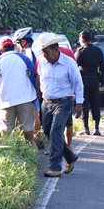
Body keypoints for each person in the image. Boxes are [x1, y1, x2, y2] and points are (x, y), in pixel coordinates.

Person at [35, 34, 84, 177]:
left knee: (56, 132)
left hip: (63, 102)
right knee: (50, 133)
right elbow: (40, 81)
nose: (45, 55)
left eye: (47, 52)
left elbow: (77, 83)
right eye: (43, 52)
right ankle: (70, 157)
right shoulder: (42, 62)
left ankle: (55, 167)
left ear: (56, 49)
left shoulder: (69, 63)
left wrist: (79, 103)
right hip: (46, 103)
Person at [0, 37, 38, 143]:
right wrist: (36, 95)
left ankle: (9, 155)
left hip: (5, 100)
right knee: (28, 129)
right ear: (14, 47)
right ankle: (31, 152)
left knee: (6, 132)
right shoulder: (24, 58)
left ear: (1, 49)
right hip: (26, 98)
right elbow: (33, 76)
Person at [74, 31, 104, 136]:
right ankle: (96, 128)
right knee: (95, 104)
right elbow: (103, 66)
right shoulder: (98, 50)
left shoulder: (80, 51)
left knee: (84, 105)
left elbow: (75, 67)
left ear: (82, 39)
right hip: (95, 80)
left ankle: (86, 128)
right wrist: (100, 79)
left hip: (83, 81)